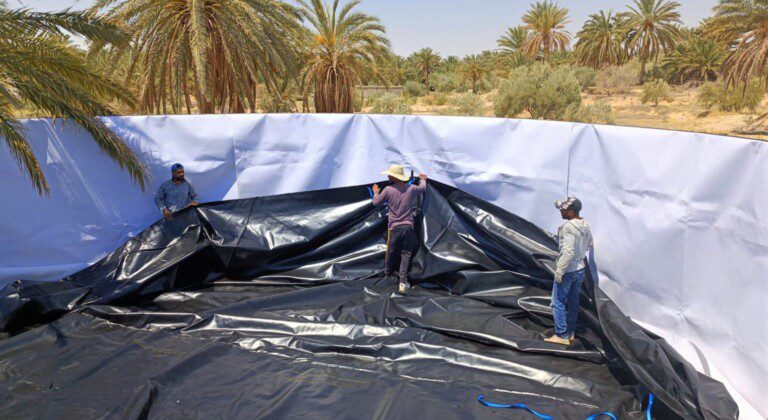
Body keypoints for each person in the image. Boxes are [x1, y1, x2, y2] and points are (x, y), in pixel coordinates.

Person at [371, 164, 427, 293]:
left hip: (394, 228)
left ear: (394, 177)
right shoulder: (412, 188)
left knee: (391, 252)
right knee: (406, 253)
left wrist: (375, 192)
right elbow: (423, 188)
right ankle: (402, 282)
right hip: (408, 227)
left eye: (389, 175)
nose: (388, 176)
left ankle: (387, 276)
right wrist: (423, 179)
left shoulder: (388, 190)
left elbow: (376, 202)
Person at [546, 196, 594, 345]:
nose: (561, 212)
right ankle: (570, 332)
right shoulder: (585, 224)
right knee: (573, 301)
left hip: (568, 270)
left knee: (557, 301)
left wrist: (559, 271)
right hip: (580, 269)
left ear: (571, 212)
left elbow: (567, 252)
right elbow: (590, 243)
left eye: (563, 210)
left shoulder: (568, 227)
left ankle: (561, 335)